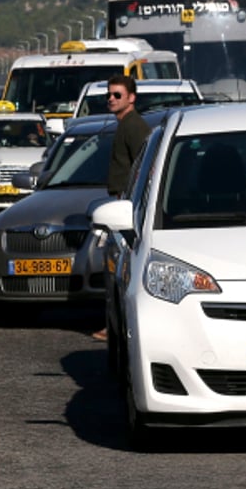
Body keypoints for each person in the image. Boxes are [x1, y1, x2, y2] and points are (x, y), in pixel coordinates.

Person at [94, 73, 152, 341]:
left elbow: (143, 166)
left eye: (117, 95)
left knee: (122, 268)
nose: (111, 99)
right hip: (120, 201)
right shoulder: (123, 124)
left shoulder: (134, 126)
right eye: (109, 94)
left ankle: (119, 327)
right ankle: (115, 324)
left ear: (131, 98)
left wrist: (130, 199)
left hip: (128, 207)